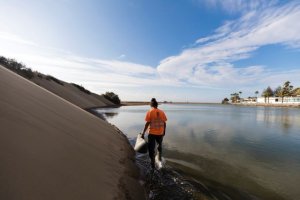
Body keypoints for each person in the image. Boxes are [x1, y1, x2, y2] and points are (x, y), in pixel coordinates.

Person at [142, 98, 167, 169]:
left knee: (151, 149)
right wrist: (164, 131)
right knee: (159, 146)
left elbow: (147, 123)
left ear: (151, 105)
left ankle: (152, 163)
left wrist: (143, 133)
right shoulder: (162, 112)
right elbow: (164, 123)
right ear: (157, 105)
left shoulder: (150, 111)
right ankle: (159, 160)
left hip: (152, 133)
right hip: (160, 133)